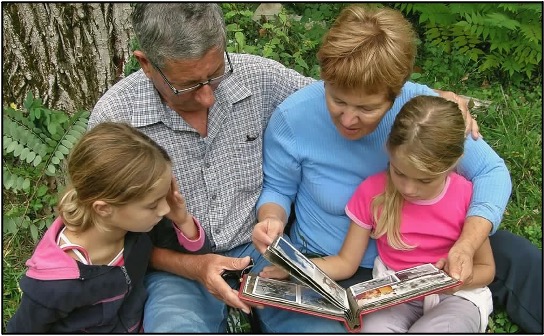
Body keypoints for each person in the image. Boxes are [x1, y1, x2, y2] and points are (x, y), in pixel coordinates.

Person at [87, 3, 522, 333]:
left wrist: (441, 100)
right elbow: (111, 236)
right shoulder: (115, 118)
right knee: (176, 324)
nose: (208, 97)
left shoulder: (258, 77)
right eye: (188, 85)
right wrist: (206, 260)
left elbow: (353, 83)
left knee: (516, 258)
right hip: (195, 263)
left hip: (350, 253)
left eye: (215, 76)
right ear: (146, 64)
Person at [252, 4, 542, 333]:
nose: (348, 120)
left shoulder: (421, 112)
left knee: (520, 259)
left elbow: (491, 173)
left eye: (367, 107)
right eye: (337, 100)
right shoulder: (293, 119)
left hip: (435, 254)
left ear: (396, 94)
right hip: (337, 260)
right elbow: (278, 189)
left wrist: (465, 244)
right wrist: (272, 219)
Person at [262, 95, 496, 332]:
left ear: (454, 162)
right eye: (399, 172)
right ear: (389, 151)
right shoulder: (374, 193)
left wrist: (457, 282)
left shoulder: (465, 195)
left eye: (425, 180)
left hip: (457, 298)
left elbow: (487, 269)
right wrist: (296, 269)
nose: (408, 189)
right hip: (393, 297)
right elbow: (346, 263)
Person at [6, 122, 209, 333]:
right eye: (153, 204)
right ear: (104, 208)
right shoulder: (55, 285)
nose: (164, 208)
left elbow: (200, 255)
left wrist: (182, 219)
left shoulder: (139, 228)